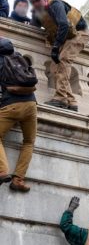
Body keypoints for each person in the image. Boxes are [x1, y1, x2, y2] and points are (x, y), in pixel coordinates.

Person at [27, 0, 89, 112]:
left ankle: (61, 98)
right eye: (32, 2)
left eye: (37, 0)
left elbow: (63, 24)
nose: (36, 3)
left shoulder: (55, 4)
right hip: (65, 37)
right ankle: (71, 101)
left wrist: (56, 47)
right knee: (55, 67)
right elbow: (32, 29)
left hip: (80, 33)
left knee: (63, 59)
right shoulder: (37, 12)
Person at [0, 38, 37, 192]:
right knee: (29, 142)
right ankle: (18, 179)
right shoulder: (19, 58)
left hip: (11, 105)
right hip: (31, 105)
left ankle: (2, 171)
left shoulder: (1, 63)